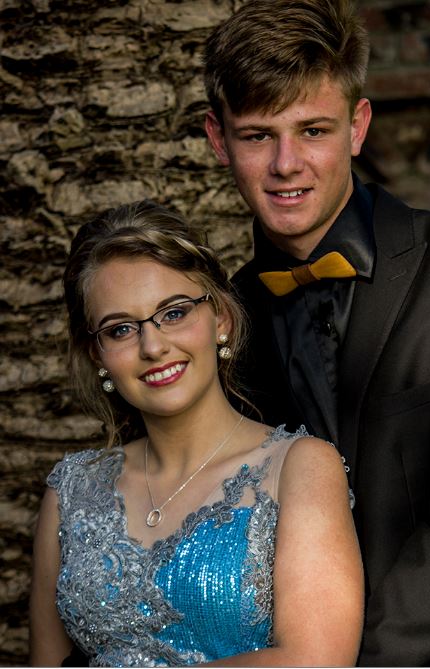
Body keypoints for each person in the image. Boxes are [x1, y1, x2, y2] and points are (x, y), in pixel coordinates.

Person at [203, 0, 430, 666]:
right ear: (218, 140)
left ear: (357, 126)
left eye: (312, 130)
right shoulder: (219, 321)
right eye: (257, 136)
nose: (286, 163)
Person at [28, 200, 363, 667]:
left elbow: (316, 660)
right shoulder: (71, 490)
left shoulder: (299, 466)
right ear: (97, 354)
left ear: (220, 318)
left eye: (174, 313)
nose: (153, 346)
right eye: (120, 329)